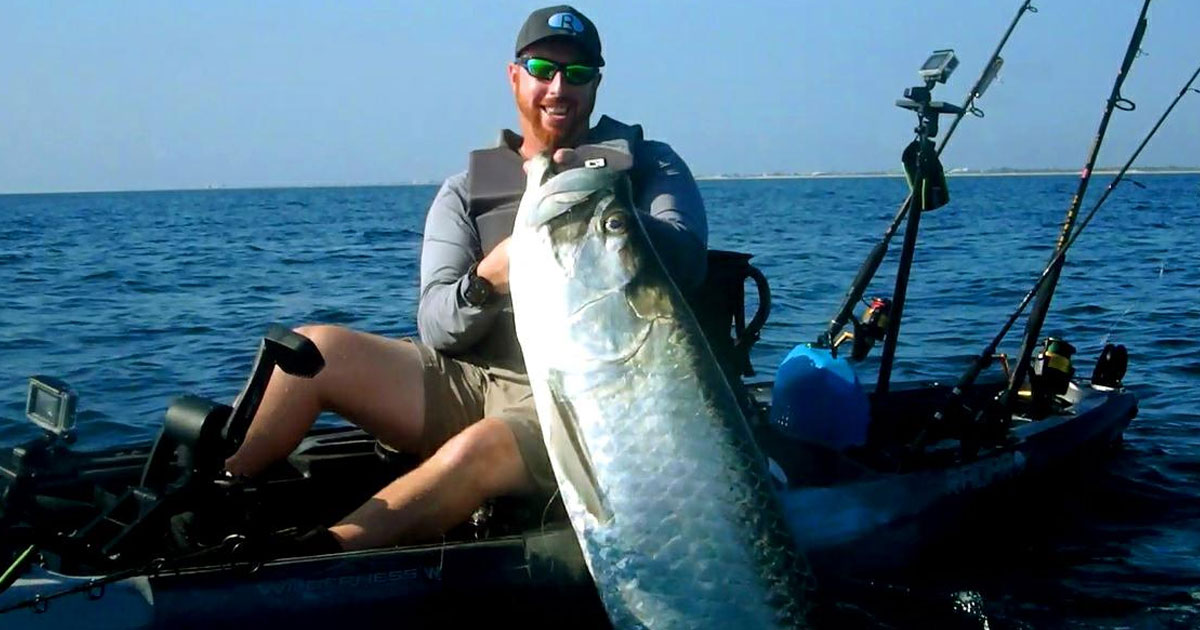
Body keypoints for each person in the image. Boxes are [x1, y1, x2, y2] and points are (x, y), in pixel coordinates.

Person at [221, 4, 708, 552]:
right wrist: (487, 279)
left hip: (578, 395)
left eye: (577, 74)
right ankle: (213, 502)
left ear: (596, 84)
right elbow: (435, 326)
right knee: (312, 352)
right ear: (514, 76)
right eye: (543, 69)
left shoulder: (648, 166)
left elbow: (689, 261)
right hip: (472, 378)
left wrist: (597, 205)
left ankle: (318, 556)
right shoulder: (464, 191)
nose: (558, 87)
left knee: (479, 449)